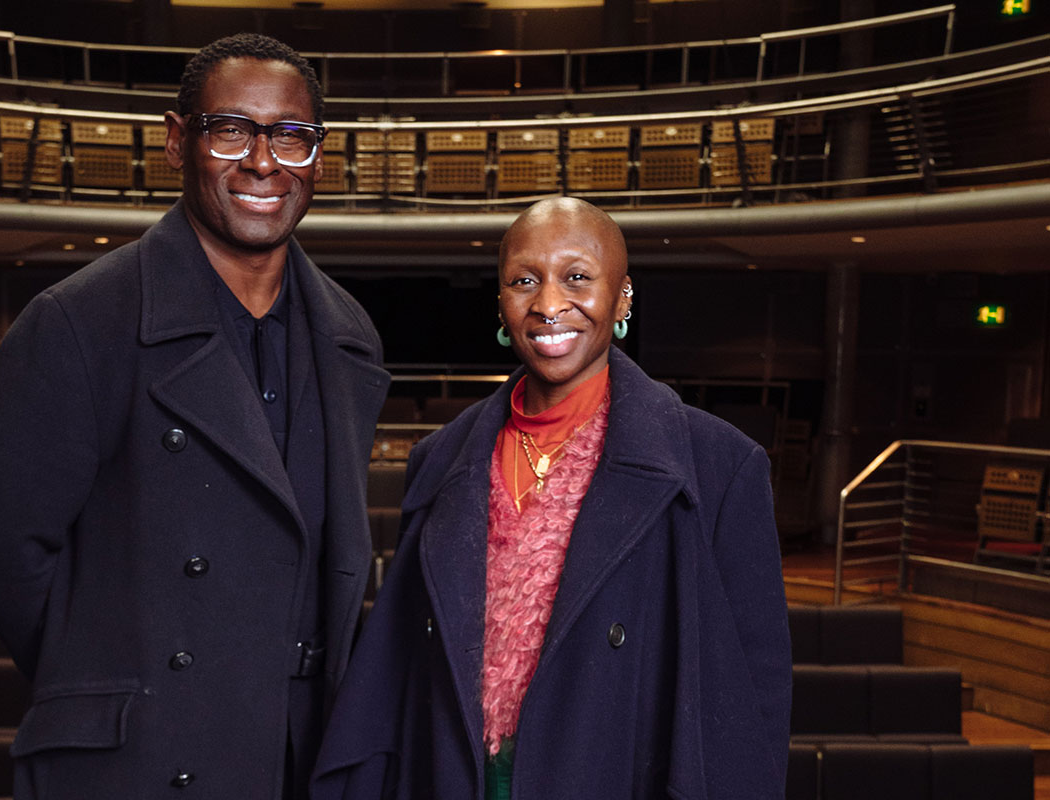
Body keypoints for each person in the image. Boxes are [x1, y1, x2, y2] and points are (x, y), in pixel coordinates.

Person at [0, 33, 388, 800]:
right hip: (143, 755)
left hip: (306, 754)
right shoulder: (78, 321)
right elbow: (2, 547)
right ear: (176, 141)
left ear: (319, 158)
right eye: (232, 130)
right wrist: (112, 675)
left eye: (291, 136)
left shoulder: (350, 335)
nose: (263, 162)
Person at [311, 197, 792, 800]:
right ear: (500, 303)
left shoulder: (720, 465)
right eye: (524, 281)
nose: (547, 304)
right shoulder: (439, 458)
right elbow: (404, 668)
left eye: (577, 278)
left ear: (622, 299)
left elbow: (753, 699)